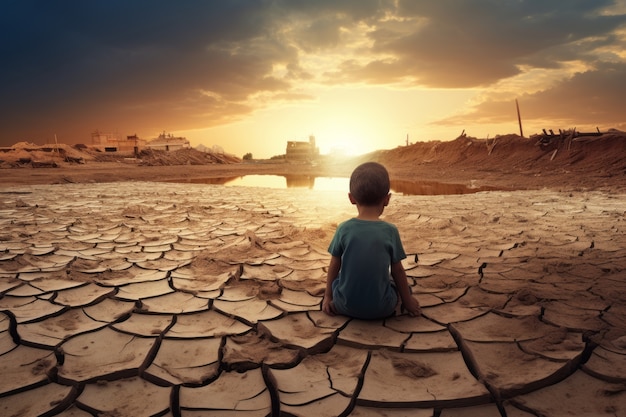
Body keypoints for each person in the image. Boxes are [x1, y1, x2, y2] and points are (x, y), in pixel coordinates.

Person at [322, 162, 421, 319]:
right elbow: (398, 271)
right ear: (387, 199)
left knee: (339, 279)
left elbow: (334, 265)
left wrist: (328, 297)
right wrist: (407, 301)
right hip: (382, 309)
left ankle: (341, 300)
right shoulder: (390, 231)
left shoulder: (343, 229)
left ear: (351, 198)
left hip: (343, 306)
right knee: (394, 282)